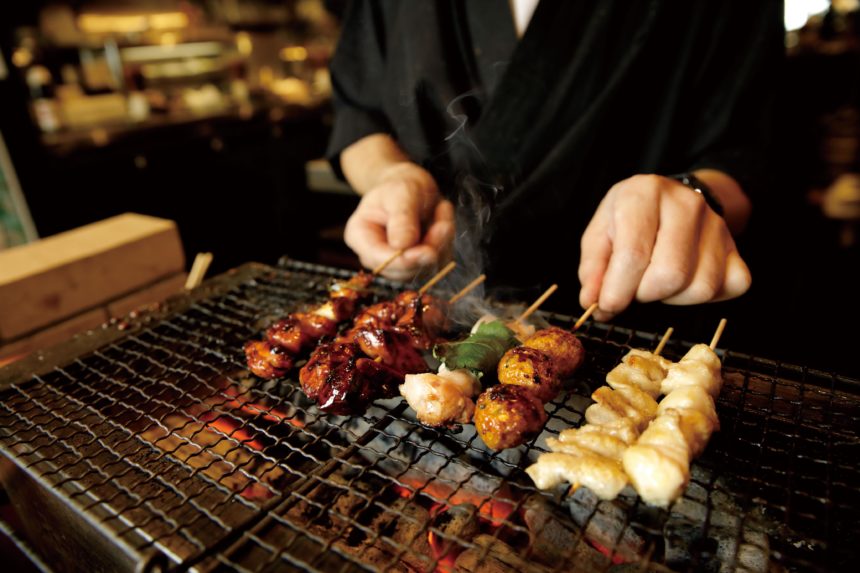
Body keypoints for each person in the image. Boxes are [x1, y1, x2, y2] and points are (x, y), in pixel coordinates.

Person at [326, 0, 784, 321]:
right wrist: (391, 174)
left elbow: (747, 152)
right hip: (426, 312)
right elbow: (359, 113)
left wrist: (694, 194)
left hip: (634, 324)